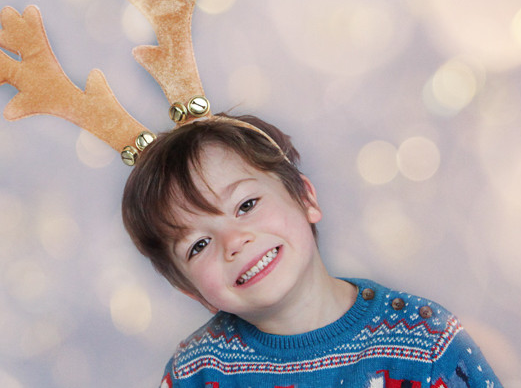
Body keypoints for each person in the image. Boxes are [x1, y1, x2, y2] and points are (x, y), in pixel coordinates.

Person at [122, 113, 501, 388]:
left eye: (246, 205)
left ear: (305, 199)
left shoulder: (424, 338)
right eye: (199, 245)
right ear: (191, 290)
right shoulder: (197, 373)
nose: (234, 241)